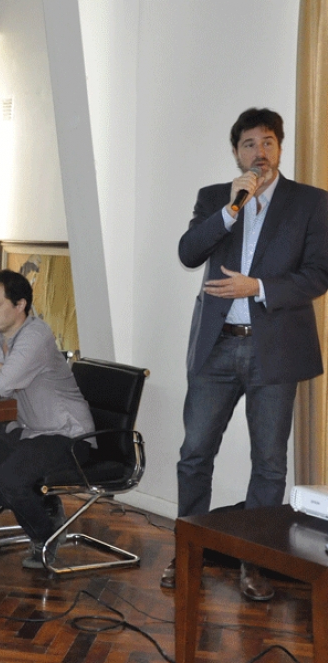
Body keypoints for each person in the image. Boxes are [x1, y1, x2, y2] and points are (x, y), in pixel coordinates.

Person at [164, 108, 328, 600]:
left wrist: (256, 286)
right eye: (250, 144)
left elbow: (320, 274)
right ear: (236, 152)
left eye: (269, 142)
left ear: (280, 148)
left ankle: (252, 560)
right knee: (195, 454)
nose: (260, 153)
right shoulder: (216, 198)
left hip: (274, 351)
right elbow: (189, 252)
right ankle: (188, 548)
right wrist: (233, 208)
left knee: (270, 463)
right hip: (217, 349)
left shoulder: (312, 203)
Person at [0, 270, 94, 568]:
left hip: (66, 434)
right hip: (26, 429)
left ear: (20, 305)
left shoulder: (37, 335)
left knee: (10, 479)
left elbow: (3, 385)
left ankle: (46, 535)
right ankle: (42, 507)